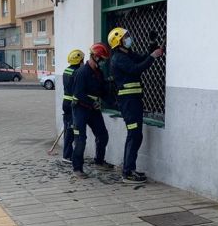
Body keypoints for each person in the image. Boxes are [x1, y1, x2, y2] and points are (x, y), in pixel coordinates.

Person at [108, 27, 164, 184]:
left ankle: (129, 169)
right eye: (126, 37)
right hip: (128, 103)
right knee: (134, 135)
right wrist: (153, 56)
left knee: (136, 135)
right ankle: (127, 172)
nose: (129, 38)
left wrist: (152, 46)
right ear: (119, 42)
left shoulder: (127, 54)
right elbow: (136, 69)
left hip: (134, 101)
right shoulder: (118, 58)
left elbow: (142, 59)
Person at [70, 43, 114, 179]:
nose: (103, 62)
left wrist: (114, 103)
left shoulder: (99, 73)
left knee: (103, 135)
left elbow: (101, 91)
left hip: (93, 110)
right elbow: (78, 93)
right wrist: (92, 103)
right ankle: (77, 168)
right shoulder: (82, 72)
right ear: (95, 56)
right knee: (81, 139)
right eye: (102, 59)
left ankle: (99, 161)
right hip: (80, 109)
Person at [61, 49, 85, 164]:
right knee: (70, 131)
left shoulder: (66, 70)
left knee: (67, 129)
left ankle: (67, 154)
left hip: (65, 102)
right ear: (79, 61)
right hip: (72, 104)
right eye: (82, 60)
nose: (83, 62)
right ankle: (67, 156)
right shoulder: (77, 72)